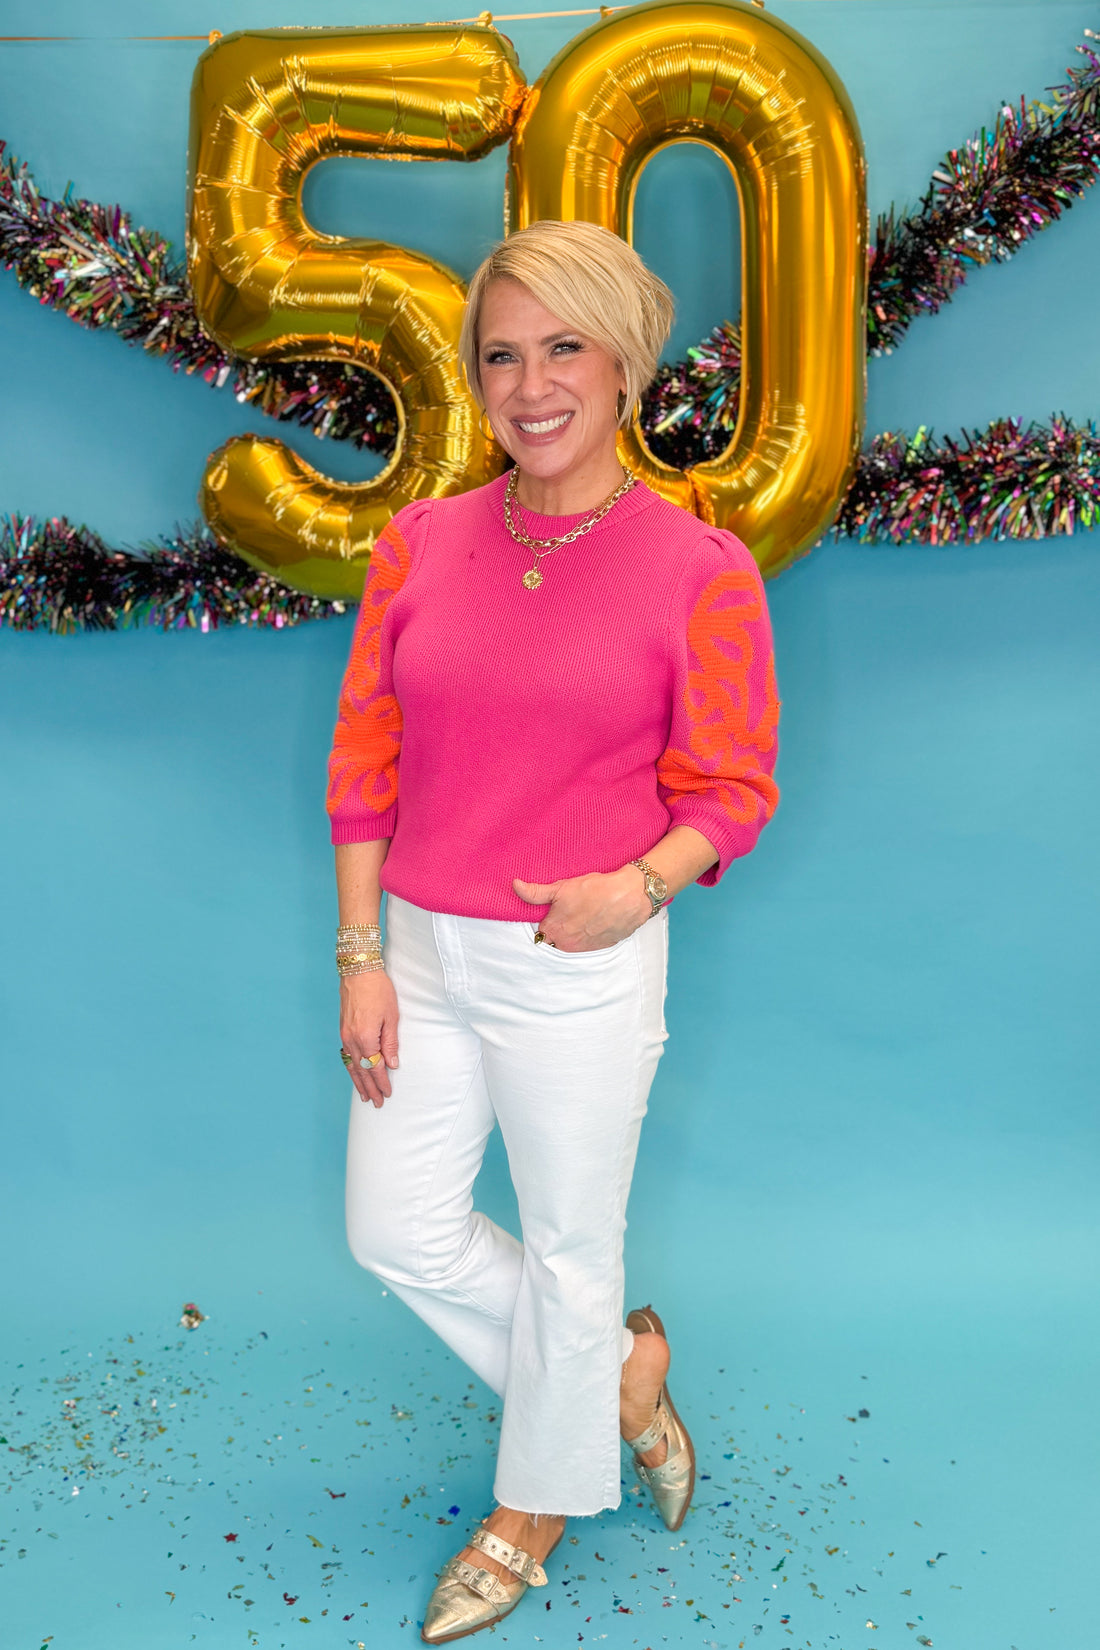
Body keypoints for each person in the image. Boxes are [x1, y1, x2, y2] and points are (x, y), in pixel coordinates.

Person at [326, 218, 779, 1643]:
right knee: (395, 1229)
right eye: (501, 353)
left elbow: (733, 784)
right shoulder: (421, 544)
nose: (529, 384)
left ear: (628, 363)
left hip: (578, 958)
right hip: (421, 948)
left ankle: (528, 1513)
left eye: (563, 347)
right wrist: (359, 956)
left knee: (577, 1251)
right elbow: (364, 759)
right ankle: (619, 1387)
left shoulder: (696, 568)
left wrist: (636, 887)